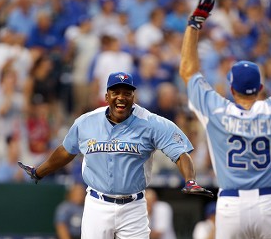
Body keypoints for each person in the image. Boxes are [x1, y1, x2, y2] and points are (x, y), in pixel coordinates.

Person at [179, 0, 271, 239]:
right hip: (269, 203)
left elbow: (188, 70)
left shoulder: (216, 110)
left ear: (231, 88)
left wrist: (194, 25)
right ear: (261, 86)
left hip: (230, 205)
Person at [18, 71, 213, 239]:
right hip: (97, 203)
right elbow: (66, 150)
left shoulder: (151, 122)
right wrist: (39, 171)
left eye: (127, 93)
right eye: (116, 92)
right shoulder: (87, 122)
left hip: (133, 207)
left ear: (133, 97)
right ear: (107, 95)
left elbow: (180, 153)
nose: (121, 97)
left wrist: (190, 180)